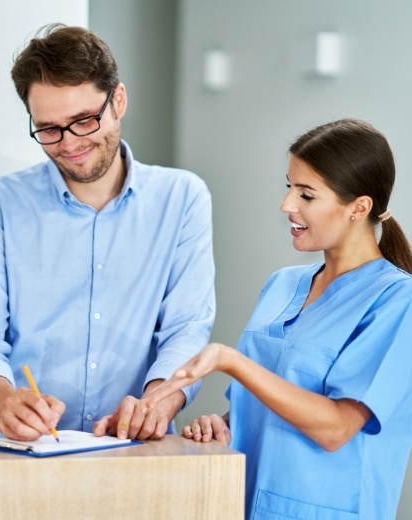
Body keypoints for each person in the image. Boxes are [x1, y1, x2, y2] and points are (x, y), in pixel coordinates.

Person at [0, 24, 215, 442]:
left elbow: (187, 329)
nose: (69, 143)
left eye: (84, 121)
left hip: (135, 450)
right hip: (22, 453)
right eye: (49, 129)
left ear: (118, 101)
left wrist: (157, 402)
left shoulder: (182, 198)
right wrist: (4, 401)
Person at [142, 118, 412, 519]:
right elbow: (263, 409)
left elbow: (337, 428)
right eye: (288, 187)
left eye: (306, 194)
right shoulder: (282, 285)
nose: (287, 205)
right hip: (243, 504)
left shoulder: (397, 300)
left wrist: (230, 360)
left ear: (359, 207)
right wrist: (221, 425)